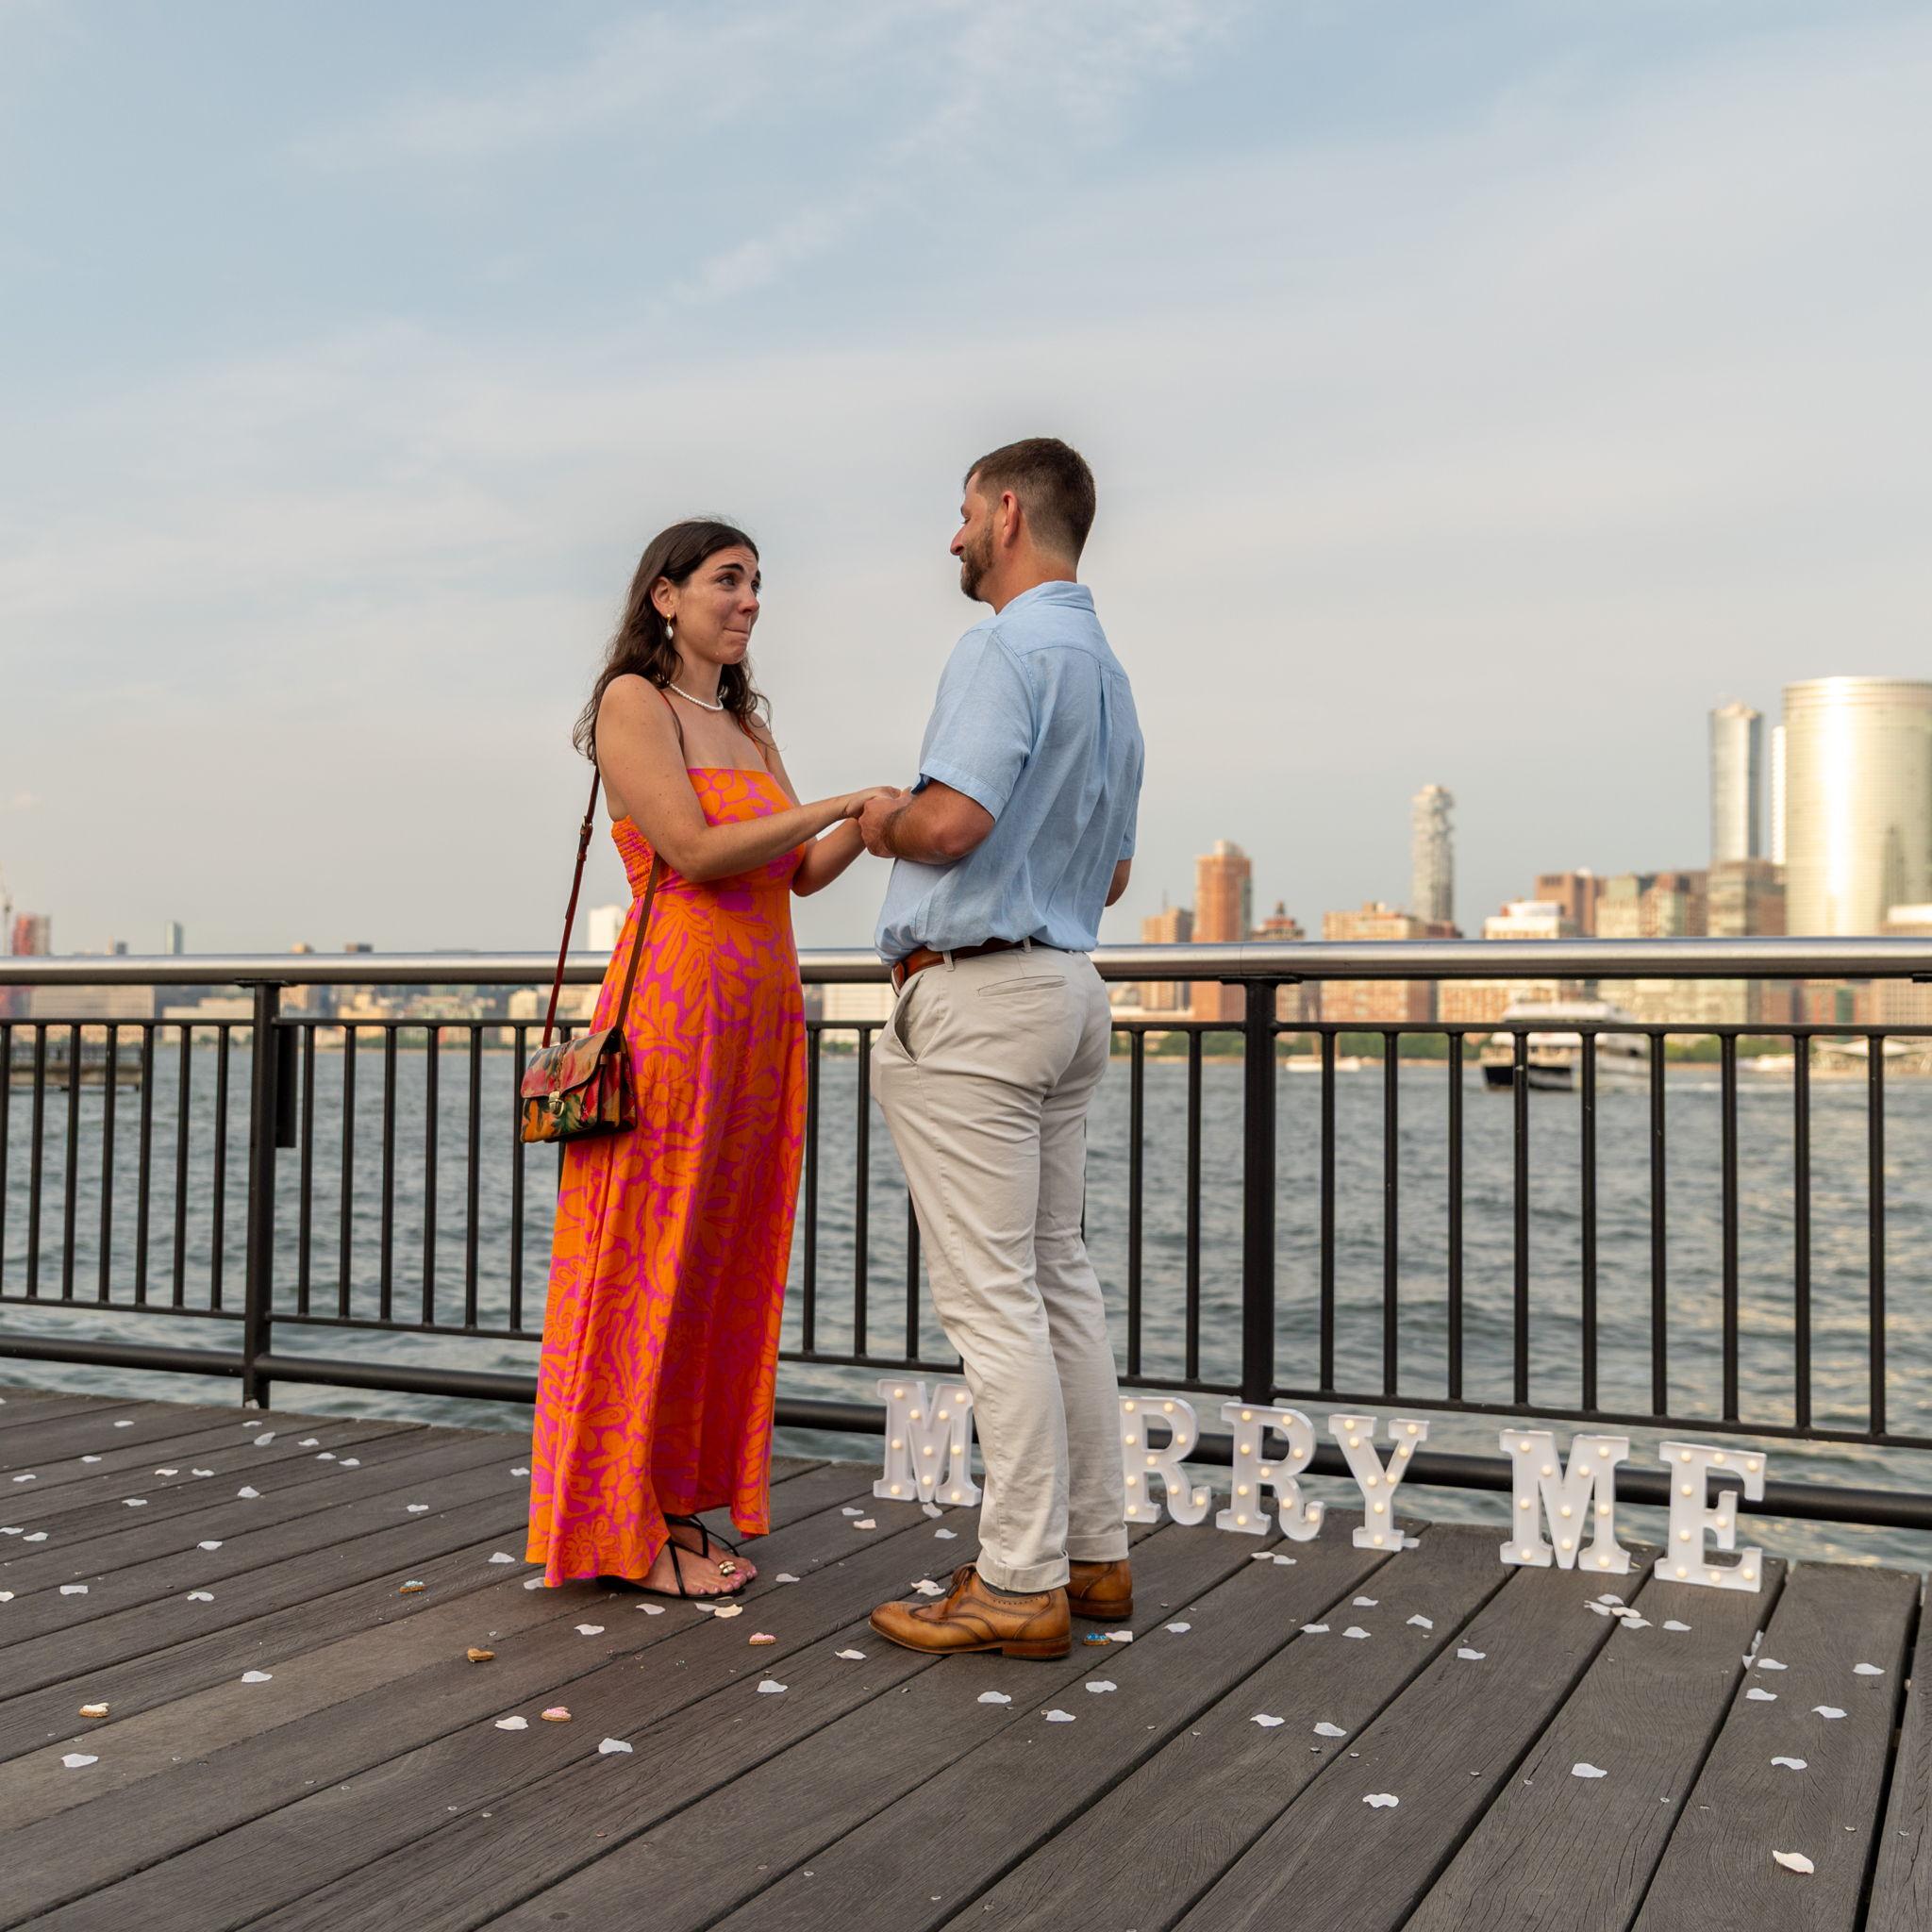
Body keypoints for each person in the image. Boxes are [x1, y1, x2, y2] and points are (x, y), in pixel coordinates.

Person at [526, 519, 896, 1598]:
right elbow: (690, 849)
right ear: (666, 597)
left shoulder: (749, 726)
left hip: (762, 1020)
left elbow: (794, 873)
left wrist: (866, 822)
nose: (748, 601)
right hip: (675, 1013)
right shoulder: (631, 704)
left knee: (720, 1265)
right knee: (649, 1255)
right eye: (728, 581)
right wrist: (826, 803)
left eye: (756, 584)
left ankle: (674, 1503)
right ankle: (619, 1522)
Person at [858, 440, 1144, 1660]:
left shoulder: (1003, 649)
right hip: (1069, 988)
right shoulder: (1108, 673)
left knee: (993, 1303)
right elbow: (1116, 869)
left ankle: (1018, 1580)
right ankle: (1094, 1555)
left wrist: (881, 821)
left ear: (1010, 511)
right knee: (1057, 1281)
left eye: (965, 512)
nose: (956, 536)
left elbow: (952, 820)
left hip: (976, 998)